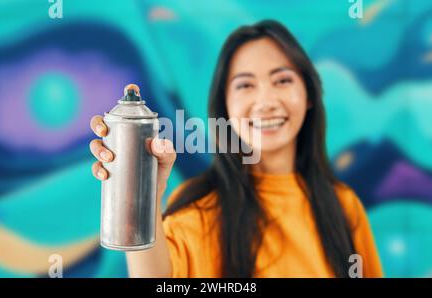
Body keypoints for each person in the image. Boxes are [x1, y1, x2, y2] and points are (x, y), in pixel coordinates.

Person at [89, 20, 383, 278]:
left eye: (282, 80)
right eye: (245, 85)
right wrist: (141, 193)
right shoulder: (201, 207)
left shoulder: (344, 206)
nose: (266, 101)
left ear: (308, 95)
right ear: (225, 107)